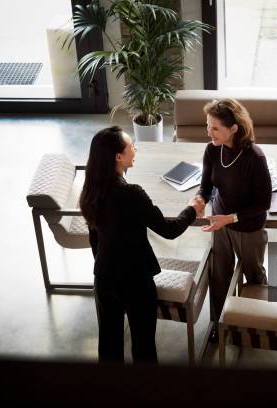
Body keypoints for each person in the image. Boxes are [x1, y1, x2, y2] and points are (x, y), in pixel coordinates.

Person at [80, 126, 204, 363]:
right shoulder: (132, 193)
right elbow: (169, 230)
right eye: (130, 147)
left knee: (108, 344)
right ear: (118, 157)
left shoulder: (91, 188)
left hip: (104, 276)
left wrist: (103, 264)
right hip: (134, 281)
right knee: (143, 344)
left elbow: (94, 236)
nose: (135, 150)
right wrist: (192, 209)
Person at [193, 99, 272, 342]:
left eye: (215, 128)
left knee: (254, 276)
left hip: (248, 226)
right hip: (220, 222)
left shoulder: (255, 158)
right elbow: (206, 186)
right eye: (208, 126)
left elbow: (263, 203)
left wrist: (231, 218)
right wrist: (198, 199)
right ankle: (218, 324)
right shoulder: (212, 150)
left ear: (234, 128)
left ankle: (255, 322)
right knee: (219, 275)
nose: (209, 133)